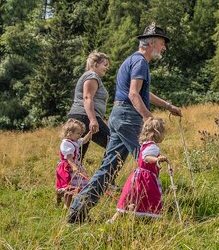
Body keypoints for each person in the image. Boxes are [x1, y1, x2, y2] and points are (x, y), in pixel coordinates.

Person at [67, 23, 182, 224]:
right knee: (148, 160)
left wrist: (167, 106)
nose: (164, 48)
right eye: (162, 43)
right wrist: (149, 119)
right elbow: (133, 94)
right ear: (152, 42)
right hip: (129, 117)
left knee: (109, 168)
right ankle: (147, 210)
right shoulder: (141, 63)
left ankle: (78, 212)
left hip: (118, 116)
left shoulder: (132, 61)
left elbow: (144, 93)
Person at [107, 117, 168, 222]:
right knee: (151, 196)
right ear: (157, 133)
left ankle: (116, 219)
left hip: (137, 176)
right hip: (146, 178)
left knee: (131, 195)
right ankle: (153, 219)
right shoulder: (153, 147)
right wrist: (157, 159)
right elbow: (146, 157)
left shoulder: (145, 144)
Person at [67, 51, 111, 163]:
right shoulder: (92, 76)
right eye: (105, 65)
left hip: (80, 116)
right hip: (85, 117)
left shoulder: (90, 76)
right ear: (95, 64)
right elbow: (87, 97)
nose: (107, 68)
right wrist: (92, 119)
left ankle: (70, 179)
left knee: (76, 155)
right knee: (114, 143)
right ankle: (104, 177)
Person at [56, 118, 93, 209]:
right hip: (68, 169)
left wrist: (90, 133)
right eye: (78, 133)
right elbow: (69, 158)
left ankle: (64, 200)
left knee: (76, 187)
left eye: (80, 133)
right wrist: (74, 167)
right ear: (69, 133)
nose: (80, 135)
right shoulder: (66, 143)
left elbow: (84, 140)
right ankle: (66, 206)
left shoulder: (74, 141)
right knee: (69, 188)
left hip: (75, 167)